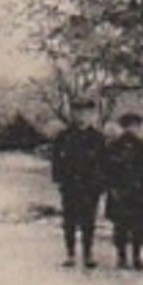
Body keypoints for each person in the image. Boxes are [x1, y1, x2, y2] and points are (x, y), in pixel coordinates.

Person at [49, 98, 108, 268]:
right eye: (78, 112)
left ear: (92, 115)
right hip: (70, 185)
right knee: (69, 221)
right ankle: (70, 253)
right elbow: (56, 161)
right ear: (73, 114)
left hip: (90, 186)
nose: (82, 116)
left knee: (89, 221)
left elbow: (103, 162)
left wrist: (101, 183)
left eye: (86, 113)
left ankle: (88, 254)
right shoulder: (64, 137)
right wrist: (60, 180)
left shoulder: (97, 138)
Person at [106, 112, 143, 270]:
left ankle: (133, 257)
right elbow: (108, 169)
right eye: (131, 126)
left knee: (136, 226)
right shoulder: (114, 147)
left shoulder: (141, 147)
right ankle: (123, 257)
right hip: (122, 190)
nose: (133, 130)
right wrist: (113, 187)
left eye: (135, 126)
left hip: (137, 191)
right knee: (122, 226)